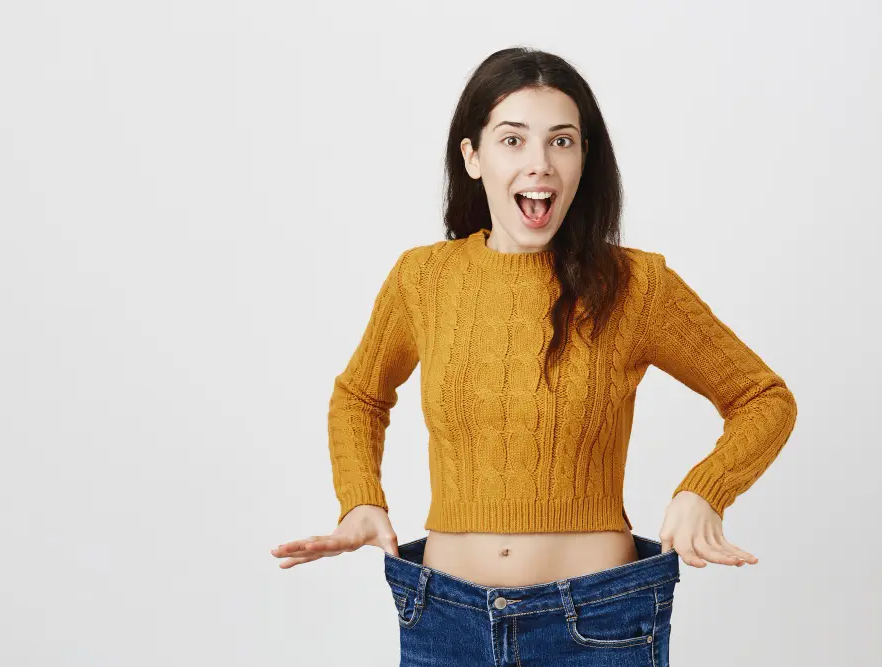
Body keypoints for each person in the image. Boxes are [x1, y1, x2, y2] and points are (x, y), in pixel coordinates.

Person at [271, 46, 797, 665]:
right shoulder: (424, 279)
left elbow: (762, 398)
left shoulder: (637, 285)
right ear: (473, 157)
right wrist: (361, 497)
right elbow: (360, 394)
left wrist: (704, 491)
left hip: (599, 623)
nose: (540, 164)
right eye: (513, 140)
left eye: (562, 141)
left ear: (584, 159)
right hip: (443, 621)